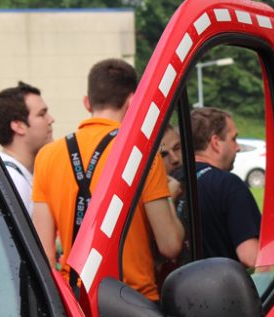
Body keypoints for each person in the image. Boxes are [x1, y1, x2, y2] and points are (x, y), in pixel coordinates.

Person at [31, 58, 183, 301]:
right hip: (134, 302)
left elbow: (44, 253)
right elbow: (170, 245)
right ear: (133, 100)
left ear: (87, 102)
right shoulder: (141, 152)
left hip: (78, 304)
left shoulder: (47, 156)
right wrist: (171, 197)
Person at [188, 107, 261, 267]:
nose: (238, 147)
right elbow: (251, 257)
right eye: (233, 139)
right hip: (225, 290)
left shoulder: (177, 182)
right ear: (215, 143)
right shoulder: (228, 185)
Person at [0, 81, 54, 216]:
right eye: (42, 114)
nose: (51, 120)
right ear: (18, 126)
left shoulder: (9, 174)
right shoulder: (12, 181)